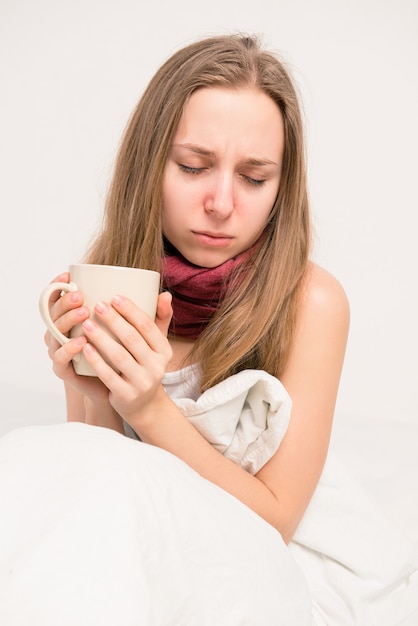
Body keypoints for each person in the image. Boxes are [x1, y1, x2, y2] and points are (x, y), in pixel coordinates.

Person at [2, 33, 417, 626]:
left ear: (282, 187)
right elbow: (103, 482)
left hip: (279, 562)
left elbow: (275, 522)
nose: (222, 202)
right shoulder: (106, 278)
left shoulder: (312, 301)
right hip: (151, 545)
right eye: (194, 166)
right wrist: (96, 396)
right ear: (150, 165)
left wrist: (148, 407)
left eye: (254, 178)